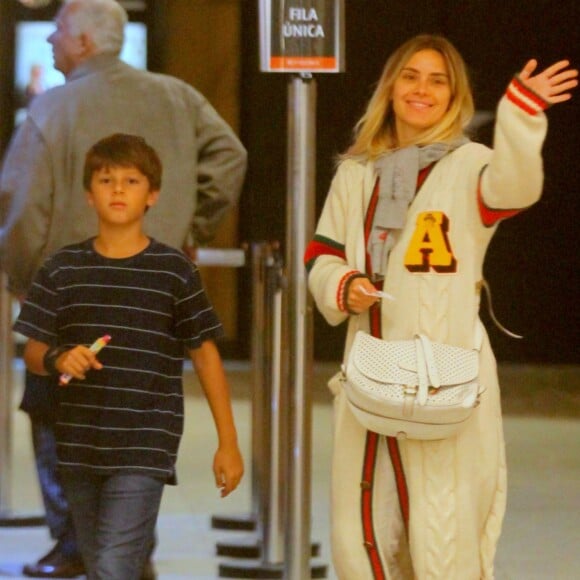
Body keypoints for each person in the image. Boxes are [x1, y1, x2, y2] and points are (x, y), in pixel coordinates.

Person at [304, 34, 577, 579]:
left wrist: (521, 116)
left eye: (437, 80)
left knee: (443, 527)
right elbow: (323, 254)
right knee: (363, 530)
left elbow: (515, 187)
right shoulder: (358, 170)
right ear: (390, 86)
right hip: (369, 373)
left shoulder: (472, 163)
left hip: (445, 376)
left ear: (454, 96)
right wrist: (345, 284)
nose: (421, 89)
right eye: (410, 76)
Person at [0, 0, 247, 577]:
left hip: (67, 300)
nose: (49, 43)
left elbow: (21, 211)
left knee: (58, 415)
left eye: (58, 32)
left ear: (84, 42)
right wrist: (189, 226)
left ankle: (78, 549)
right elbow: (229, 156)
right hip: (153, 300)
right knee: (142, 412)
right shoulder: (179, 96)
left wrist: (25, 280)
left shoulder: (50, 110)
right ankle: (129, 548)